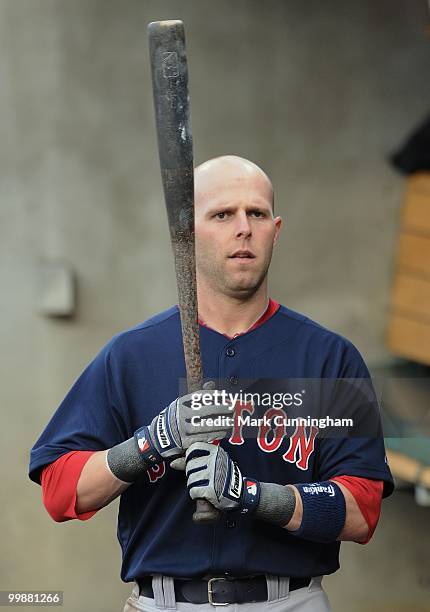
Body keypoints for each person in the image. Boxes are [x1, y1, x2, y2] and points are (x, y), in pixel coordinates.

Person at [29, 156, 394, 612]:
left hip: (288, 601)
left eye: (256, 214)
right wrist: (148, 444)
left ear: (275, 230)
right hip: (164, 603)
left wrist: (255, 497)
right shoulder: (133, 356)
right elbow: (60, 490)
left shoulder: (327, 358)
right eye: (222, 214)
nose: (243, 228)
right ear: (187, 234)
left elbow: (362, 509)